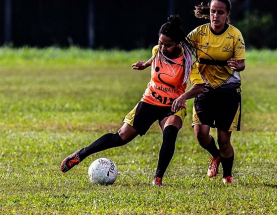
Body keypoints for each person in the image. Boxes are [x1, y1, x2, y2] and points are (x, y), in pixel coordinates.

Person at [60, 15, 204, 186]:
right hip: (150, 100)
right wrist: (146, 64)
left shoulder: (188, 61)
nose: (163, 48)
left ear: (178, 43)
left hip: (172, 105)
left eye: (168, 44)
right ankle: (80, 154)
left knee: (170, 132)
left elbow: (199, 86)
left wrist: (183, 97)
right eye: (161, 43)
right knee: (120, 137)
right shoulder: (157, 50)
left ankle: (158, 178)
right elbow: (156, 57)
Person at [187, 0, 246, 184]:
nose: (216, 15)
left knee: (223, 138)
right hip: (204, 90)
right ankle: (216, 156)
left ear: (227, 14)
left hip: (228, 92)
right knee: (201, 134)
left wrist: (236, 65)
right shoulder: (199, 33)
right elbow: (180, 49)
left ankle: (227, 175)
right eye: (213, 11)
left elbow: (242, 64)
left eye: (220, 12)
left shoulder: (235, 35)